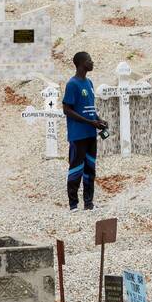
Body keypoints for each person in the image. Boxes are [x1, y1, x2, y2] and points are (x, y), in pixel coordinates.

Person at [61, 51, 108, 210]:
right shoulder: (72, 84)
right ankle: (73, 205)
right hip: (78, 135)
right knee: (76, 168)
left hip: (90, 134)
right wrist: (90, 122)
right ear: (81, 63)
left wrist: (99, 120)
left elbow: (89, 109)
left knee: (90, 168)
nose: (92, 62)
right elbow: (67, 109)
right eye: (89, 60)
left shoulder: (89, 83)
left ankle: (89, 203)